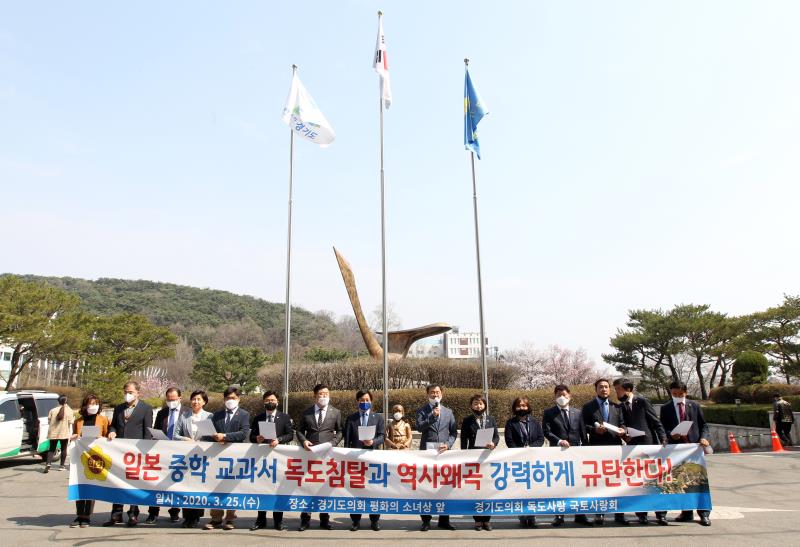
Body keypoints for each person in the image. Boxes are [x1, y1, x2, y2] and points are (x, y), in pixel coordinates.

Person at [612, 377, 668, 525]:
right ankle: (641, 514)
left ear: (628, 389)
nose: (616, 392)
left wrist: (663, 438)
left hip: (648, 445)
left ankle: (660, 514)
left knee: (654, 481)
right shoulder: (620, 407)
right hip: (633, 448)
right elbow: (623, 425)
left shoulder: (642, 402)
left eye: (618, 389)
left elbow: (655, 422)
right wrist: (625, 435)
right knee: (638, 483)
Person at [659, 381, 711, 526]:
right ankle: (686, 512)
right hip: (676, 450)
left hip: (694, 448)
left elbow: (704, 425)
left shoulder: (694, 405)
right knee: (680, 480)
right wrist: (670, 436)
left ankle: (704, 513)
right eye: (674, 394)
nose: (677, 397)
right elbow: (662, 427)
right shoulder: (666, 408)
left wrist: (704, 438)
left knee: (698, 481)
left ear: (685, 393)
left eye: (680, 394)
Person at [104, 381, 154, 527]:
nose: (128, 394)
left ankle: (133, 513)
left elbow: (148, 432)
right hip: (119, 452)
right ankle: (116, 514)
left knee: (133, 484)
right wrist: (112, 431)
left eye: (131, 392)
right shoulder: (119, 408)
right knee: (117, 483)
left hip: (136, 453)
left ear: (138, 393)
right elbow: (113, 425)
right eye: (126, 391)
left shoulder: (146, 408)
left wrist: (144, 453)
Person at [542, 385, 591, 527]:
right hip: (557, 453)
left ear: (570, 395)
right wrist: (558, 441)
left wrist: (586, 450)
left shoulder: (578, 412)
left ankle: (580, 515)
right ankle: (559, 515)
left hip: (576, 453)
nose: (561, 397)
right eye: (558, 395)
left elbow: (582, 432)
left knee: (579, 484)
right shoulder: (549, 413)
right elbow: (546, 431)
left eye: (564, 394)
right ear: (554, 397)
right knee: (559, 485)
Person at [296, 384, 343, 531]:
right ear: (315, 396)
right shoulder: (307, 412)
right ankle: (305, 519)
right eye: (321, 394)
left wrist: (333, 443)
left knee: (324, 487)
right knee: (307, 486)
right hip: (309, 455)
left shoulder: (335, 412)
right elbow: (299, 430)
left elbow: (340, 431)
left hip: (327, 455)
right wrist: (303, 441)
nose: (324, 396)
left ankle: (324, 519)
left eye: (326, 393)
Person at [202, 387, 251, 531]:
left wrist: (226, 436)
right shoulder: (216, 415)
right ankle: (216, 518)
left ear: (239, 399)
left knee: (231, 487)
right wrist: (214, 436)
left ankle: (230, 518)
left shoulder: (244, 414)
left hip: (235, 457)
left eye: (233, 398)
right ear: (224, 400)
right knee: (215, 487)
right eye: (228, 398)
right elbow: (208, 434)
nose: (231, 401)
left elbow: (243, 433)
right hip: (217, 457)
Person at [581, 378, 628, 526]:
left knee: (618, 482)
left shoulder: (617, 406)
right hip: (597, 448)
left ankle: (620, 514)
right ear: (596, 389)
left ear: (610, 389)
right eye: (600, 387)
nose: (604, 389)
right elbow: (583, 426)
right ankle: (599, 513)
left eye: (606, 387)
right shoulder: (588, 407)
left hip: (615, 448)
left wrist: (623, 430)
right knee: (600, 482)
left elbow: (623, 424)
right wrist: (594, 430)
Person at [249, 391, 294, 532]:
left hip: (278, 459)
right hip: (262, 459)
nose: (270, 402)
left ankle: (278, 521)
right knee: (262, 488)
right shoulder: (258, 418)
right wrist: (257, 438)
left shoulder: (284, 417)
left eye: (273, 400)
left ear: (277, 402)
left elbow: (290, 435)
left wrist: (279, 440)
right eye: (267, 400)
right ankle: (260, 520)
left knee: (278, 490)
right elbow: (251, 436)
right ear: (264, 402)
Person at [146, 387, 191, 525]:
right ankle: (153, 513)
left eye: (173, 399)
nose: (171, 402)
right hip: (162, 452)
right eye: (168, 400)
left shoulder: (187, 412)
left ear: (180, 398)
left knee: (176, 484)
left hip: (180, 453)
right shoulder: (162, 413)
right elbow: (156, 429)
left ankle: (174, 512)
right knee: (157, 484)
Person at [416, 384, 458, 531]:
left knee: (444, 486)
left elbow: (453, 432)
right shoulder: (422, 410)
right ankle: (426, 520)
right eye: (432, 392)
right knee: (426, 486)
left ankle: (444, 520)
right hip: (427, 454)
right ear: (427, 394)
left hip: (444, 454)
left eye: (438, 392)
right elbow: (419, 427)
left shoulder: (448, 411)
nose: (435, 395)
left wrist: (448, 444)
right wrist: (432, 416)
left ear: (442, 394)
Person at [344, 389, 385, 531]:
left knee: (373, 490)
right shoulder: (351, 418)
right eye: (362, 400)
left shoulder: (378, 418)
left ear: (371, 401)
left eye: (367, 400)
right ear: (357, 402)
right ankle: (355, 521)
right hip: (355, 460)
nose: (365, 402)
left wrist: (373, 442)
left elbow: (382, 436)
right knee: (355, 491)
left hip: (372, 459)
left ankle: (375, 520)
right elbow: (347, 440)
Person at [173, 389, 213, 528]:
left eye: (199, 399)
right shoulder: (184, 415)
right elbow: (175, 435)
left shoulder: (210, 416)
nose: (195, 402)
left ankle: (196, 516)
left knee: (198, 487)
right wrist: (185, 439)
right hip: (186, 457)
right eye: (193, 399)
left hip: (203, 457)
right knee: (186, 486)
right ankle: (187, 517)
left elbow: (212, 436)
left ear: (204, 402)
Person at [461, 393, 499, 531]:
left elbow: (496, 436)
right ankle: (477, 520)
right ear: (471, 406)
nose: (478, 406)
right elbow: (464, 439)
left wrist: (493, 444)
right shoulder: (467, 420)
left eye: (481, 403)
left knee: (487, 489)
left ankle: (487, 520)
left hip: (487, 457)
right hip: (473, 458)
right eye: (475, 403)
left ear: (485, 405)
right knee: (475, 489)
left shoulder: (491, 419)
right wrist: (464, 455)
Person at [505, 396, 544, 528]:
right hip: (518, 460)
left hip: (533, 460)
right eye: (519, 405)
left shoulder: (535, 422)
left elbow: (540, 438)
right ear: (515, 408)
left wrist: (531, 449)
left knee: (532, 489)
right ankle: (522, 516)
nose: (521, 408)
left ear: (528, 407)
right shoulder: (510, 423)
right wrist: (521, 451)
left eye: (524, 405)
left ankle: (532, 516)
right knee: (520, 489)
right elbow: (509, 441)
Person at [70, 394, 108, 528]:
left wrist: (101, 438)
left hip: (96, 457)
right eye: (90, 403)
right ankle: (79, 515)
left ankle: (86, 516)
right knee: (79, 486)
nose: (93, 406)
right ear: (85, 405)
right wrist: (74, 436)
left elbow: (108, 437)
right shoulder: (79, 421)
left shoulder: (103, 420)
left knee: (91, 486)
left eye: (95, 403)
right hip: (80, 457)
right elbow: (75, 435)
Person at [44, 396, 74, 473]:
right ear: (66, 402)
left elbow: (49, 421)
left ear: (58, 401)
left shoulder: (52, 410)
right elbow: (71, 422)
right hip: (64, 433)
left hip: (53, 433)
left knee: (51, 449)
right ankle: (62, 466)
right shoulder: (69, 411)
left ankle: (48, 463)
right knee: (64, 449)